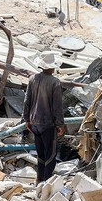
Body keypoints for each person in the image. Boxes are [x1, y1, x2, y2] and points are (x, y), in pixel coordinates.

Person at [23, 52, 65, 183]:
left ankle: (39, 179)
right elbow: (57, 106)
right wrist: (60, 124)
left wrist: (26, 119)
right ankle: (46, 183)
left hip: (34, 122)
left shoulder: (32, 79)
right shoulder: (55, 82)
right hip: (48, 124)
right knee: (50, 156)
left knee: (40, 154)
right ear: (52, 67)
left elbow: (26, 101)